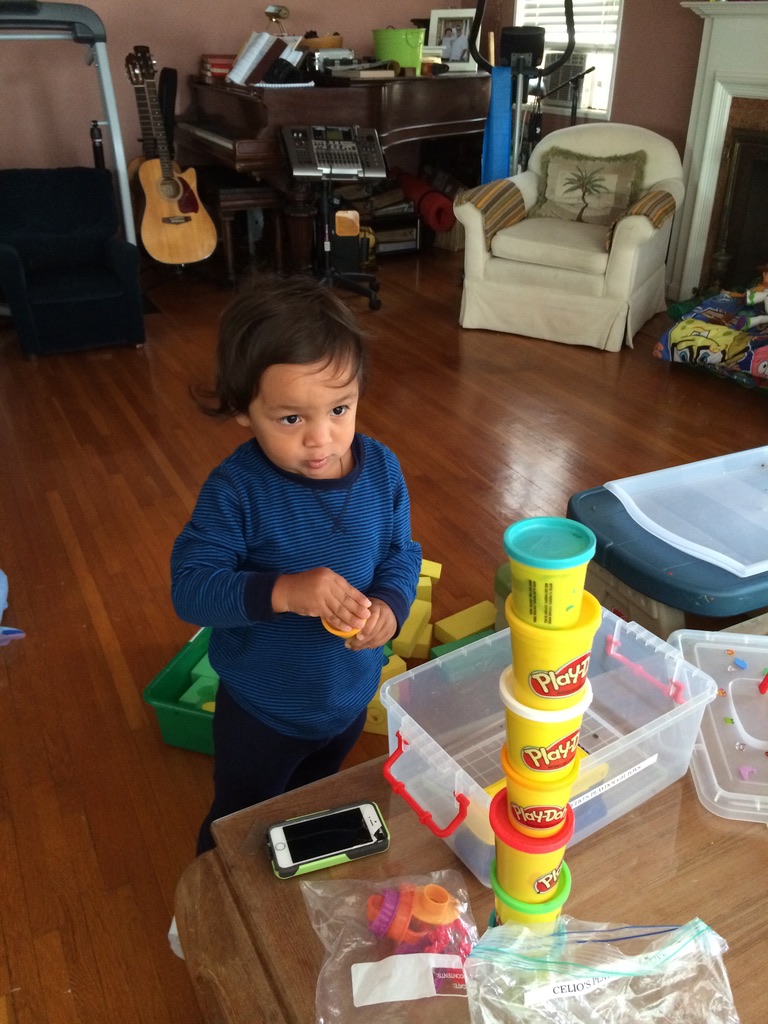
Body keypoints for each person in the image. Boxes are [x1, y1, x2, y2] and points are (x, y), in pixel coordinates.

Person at [171, 274, 422, 855]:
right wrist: (283, 591)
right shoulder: (236, 490)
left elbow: (401, 553)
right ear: (244, 411)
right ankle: (213, 892)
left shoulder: (382, 469)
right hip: (261, 712)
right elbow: (190, 588)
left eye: (339, 409)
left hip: (348, 699)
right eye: (291, 419)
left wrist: (390, 606)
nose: (321, 439)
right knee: (238, 822)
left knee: (307, 807)